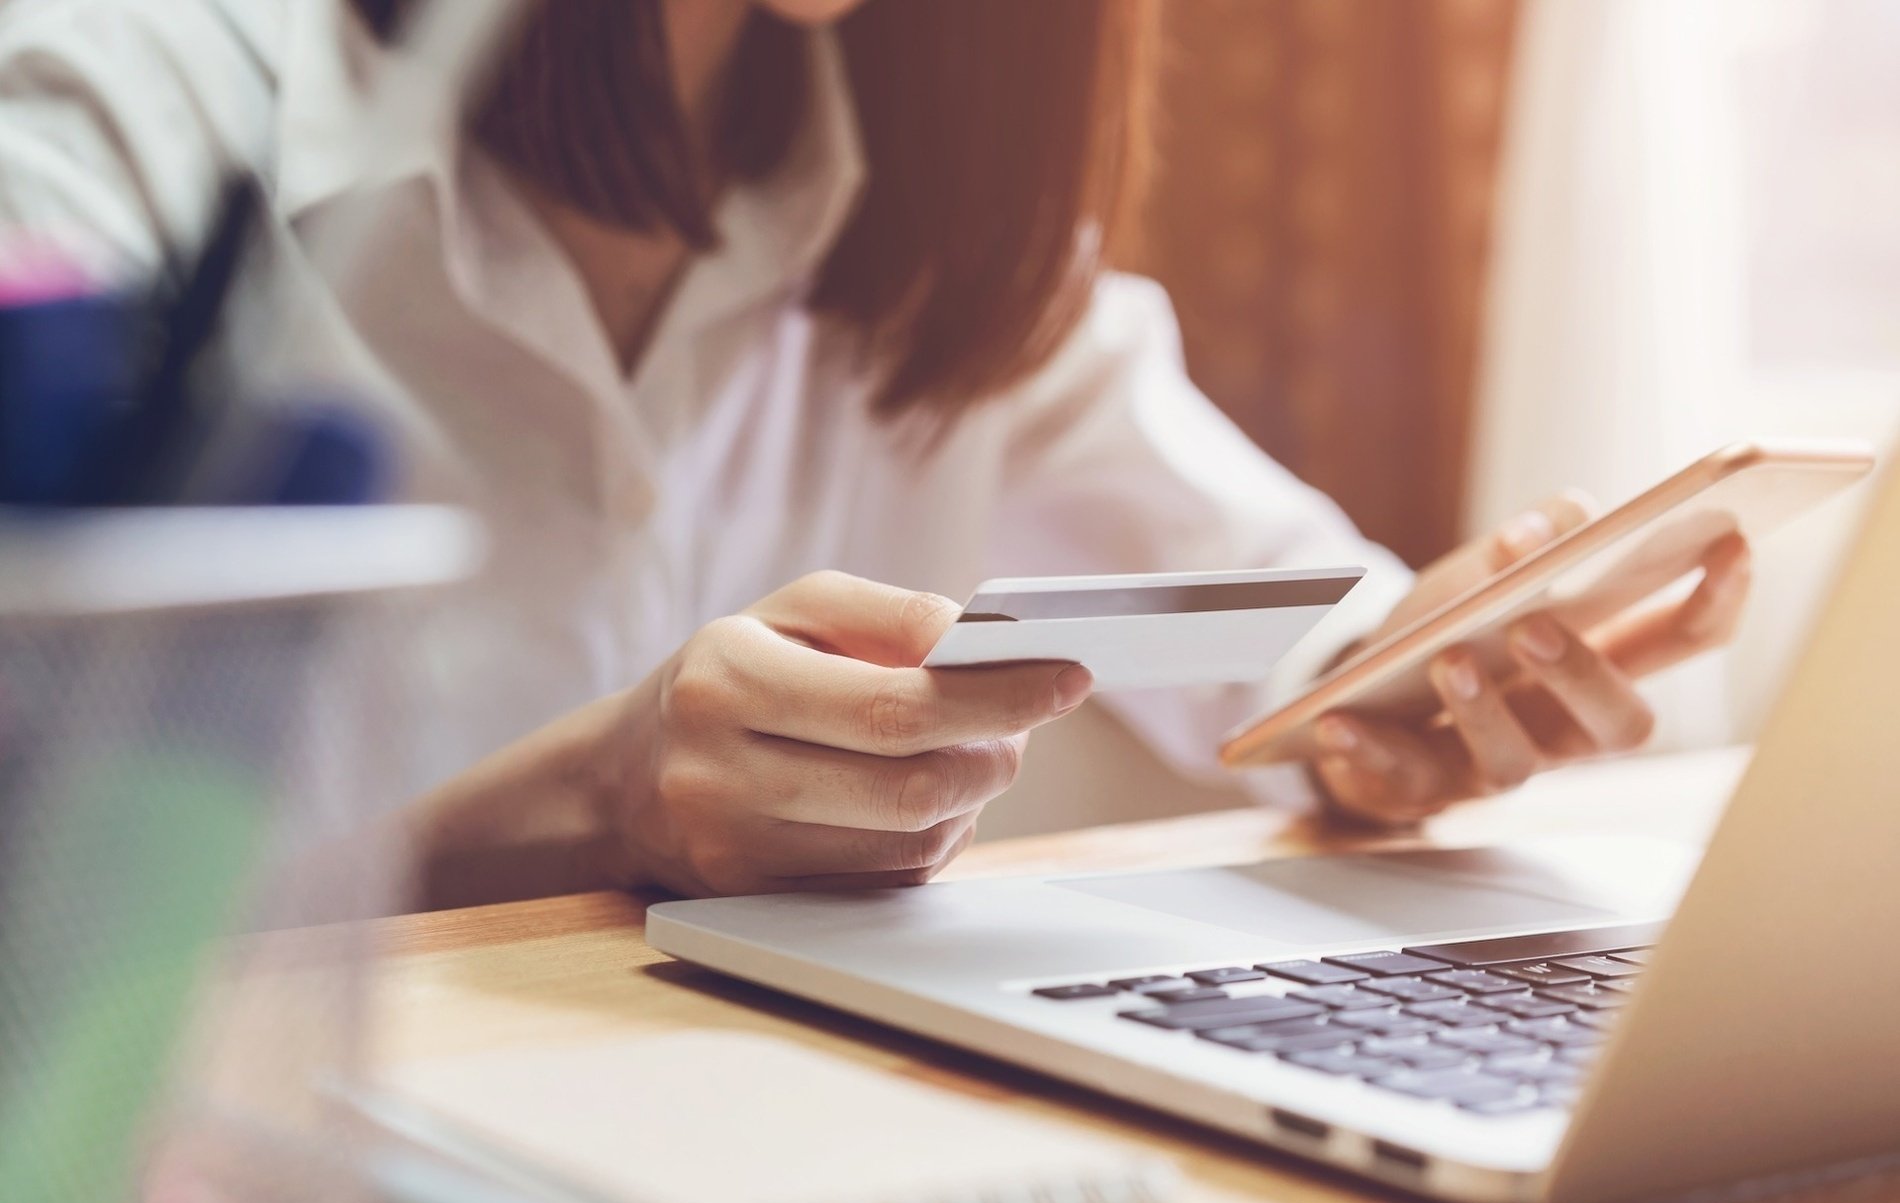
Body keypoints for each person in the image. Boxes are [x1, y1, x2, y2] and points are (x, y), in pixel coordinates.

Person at [0, 0, 1747, 898]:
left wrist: (1412, 699)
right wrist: (572, 810)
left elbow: (1295, 659)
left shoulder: (950, 252)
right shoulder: (105, 135)